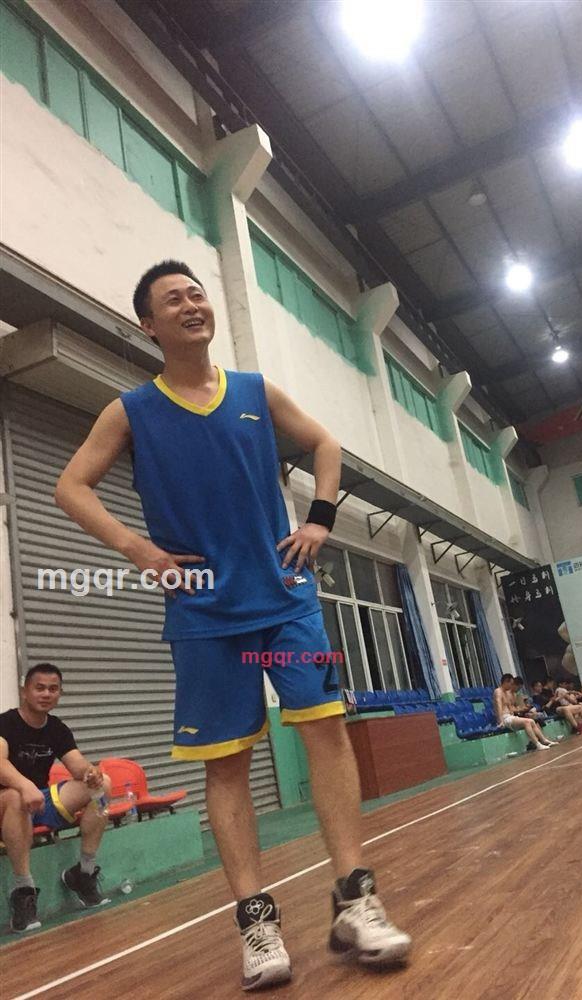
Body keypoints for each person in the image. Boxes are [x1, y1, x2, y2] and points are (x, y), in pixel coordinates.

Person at [54, 261, 410, 990]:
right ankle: (257, 924)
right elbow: (70, 486)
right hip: (204, 612)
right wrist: (137, 550)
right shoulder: (130, 411)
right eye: (173, 300)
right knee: (227, 764)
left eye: (197, 293)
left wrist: (320, 519)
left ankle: (355, 899)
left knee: (326, 729)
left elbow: (326, 444)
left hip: (285, 596)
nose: (192, 304)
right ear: (149, 325)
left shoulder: (254, 392)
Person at [0, 663, 112, 933]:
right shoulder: (5, 723)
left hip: (38, 800)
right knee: (16, 796)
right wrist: (24, 785)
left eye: (53, 689)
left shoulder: (57, 729)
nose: (46, 694)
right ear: (24, 691)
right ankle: (23, 890)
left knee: (103, 786)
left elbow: (77, 766)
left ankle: (83, 872)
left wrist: (91, 774)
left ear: (59, 694)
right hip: (7, 800)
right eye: (39, 688)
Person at [493, 674, 556, 751]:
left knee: (532, 721)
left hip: (510, 717)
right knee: (527, 722)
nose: (511, 686)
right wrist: (501, 721)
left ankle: (544, 740)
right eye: (511, 684)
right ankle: (537, 744)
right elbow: (498, 706)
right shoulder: (498, 691)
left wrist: (518, 712)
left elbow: (510, 708)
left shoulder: (506, 693)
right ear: (506, 682)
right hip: (504, 718)